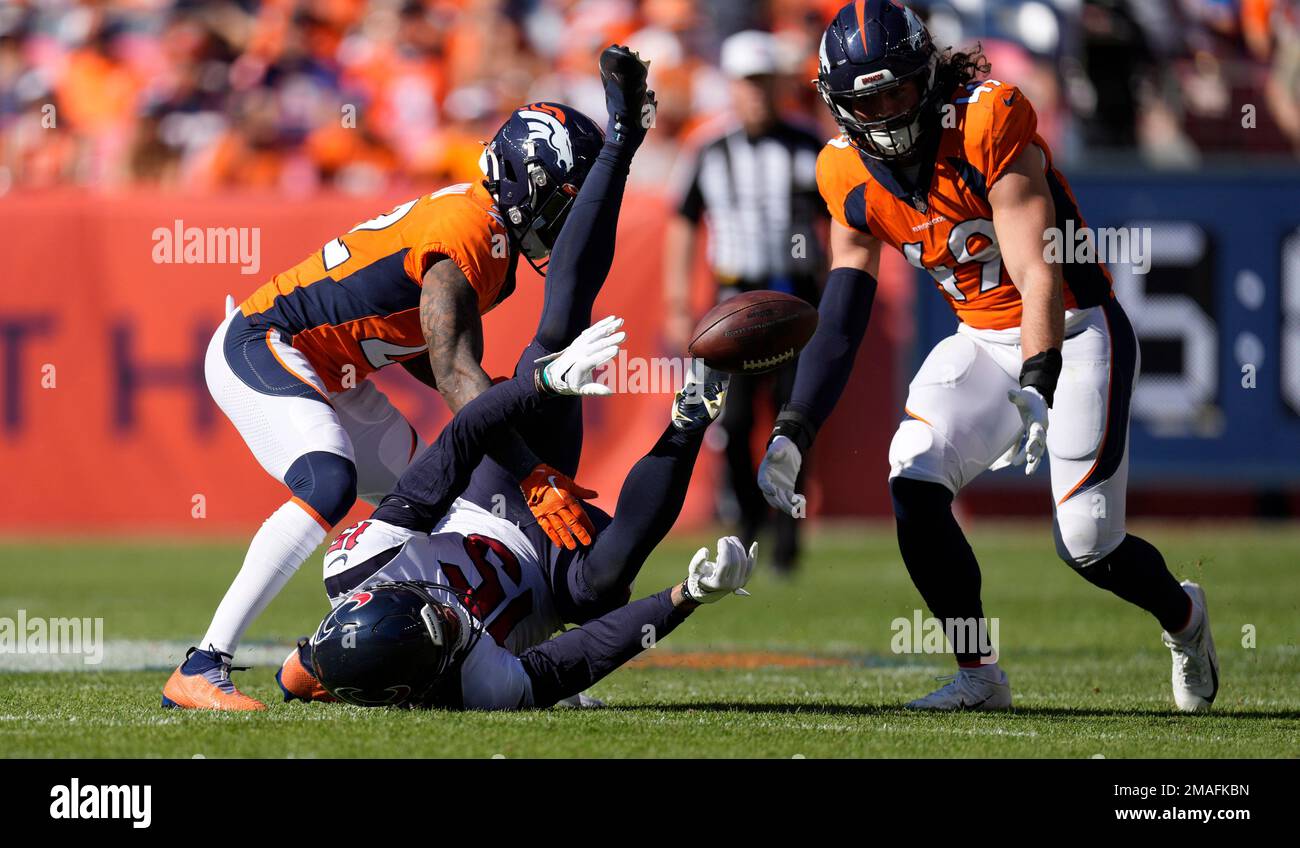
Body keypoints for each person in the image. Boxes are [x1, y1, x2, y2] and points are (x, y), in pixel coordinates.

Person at [756, 0, 1218, 712]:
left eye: (897, 92)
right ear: (837, 103)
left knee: (1090, 542)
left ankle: (1185, 620)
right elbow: (843, 315)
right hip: (980, 337)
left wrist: (1040, 378)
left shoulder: (985, 120)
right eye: (866, 99)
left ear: (928, 77)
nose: (883, 113)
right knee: (911, 473)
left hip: (1070, 328)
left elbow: (1039, 269)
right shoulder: (843, 172)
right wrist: (794, 427)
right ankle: (980, 673)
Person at [278, 46, 754, 710]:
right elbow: (579, 656)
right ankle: (692, 416)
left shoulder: (360, 566)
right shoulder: (476, 682)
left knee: (556, 337)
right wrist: (686, 598)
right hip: (549, 575)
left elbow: (459, 438)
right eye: (449, 628)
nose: (450, 611)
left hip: (488, 498)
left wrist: (544, 387)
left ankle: (623, 138)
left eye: (434, 608)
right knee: (601, 586)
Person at [163, 101, 608, 711]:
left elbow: (428, 350)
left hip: (334, 371)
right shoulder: (471, 231)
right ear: (526, 182)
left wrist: (498, 413)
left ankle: (324, 668)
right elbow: (455, 372)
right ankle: (201, 665)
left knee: (445, 508)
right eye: (564, 201)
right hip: (266, 342)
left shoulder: (489, 240)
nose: (568, 220)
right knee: (329, 481)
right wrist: (530, 470)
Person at [664, 29, 826, 574]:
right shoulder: (709, 149)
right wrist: (676, 297)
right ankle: (748, 518)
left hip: (795, 297)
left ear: (777, 85)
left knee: (793, 419)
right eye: (747, 84)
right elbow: (683, 221)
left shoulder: (810, 145)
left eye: (764, 83)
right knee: (729, 422)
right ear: (733, 88)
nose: (756, 94)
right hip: (731, 301)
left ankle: (788, 530)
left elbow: (841, 222)